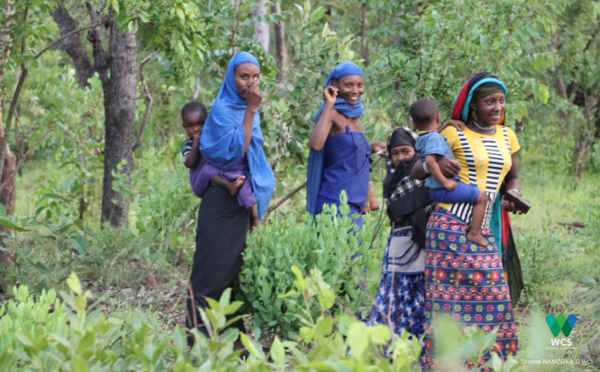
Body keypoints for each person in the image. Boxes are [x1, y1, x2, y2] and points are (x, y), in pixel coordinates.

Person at [422, 72, 522, 370]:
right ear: (473, 106)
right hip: (451, 225)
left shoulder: (508, 136)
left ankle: (489, 363)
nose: (497, 108)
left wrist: (515, 194)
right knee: (448, 302)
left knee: (495, 295)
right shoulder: (454, 133)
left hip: (486, 225)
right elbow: (418, 167)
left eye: (501, 102)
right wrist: (438, 162)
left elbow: (513, 176)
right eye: (489, 102)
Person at [186, 51, 275, 346]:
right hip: (220, 202)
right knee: (207, 275)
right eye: (243, 76)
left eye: (255, 76)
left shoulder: (248, 110)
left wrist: (253, 205)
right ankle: (195, 346)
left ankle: (236, 346)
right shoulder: (223, 110)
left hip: (238, 202)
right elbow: (234, 153)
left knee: (228, 276)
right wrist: (250, 110)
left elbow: (253, 157)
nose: (250, 82)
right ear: (231, 77)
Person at [367, 127, 434, 349]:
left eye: (406, 151)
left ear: (417, 150)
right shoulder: (391, 182)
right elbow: (396, 211)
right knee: (396, 300)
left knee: (423, 300)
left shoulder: (429, 177)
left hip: (426, 250)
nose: (400, 158)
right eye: (394, 153)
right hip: (399, 249)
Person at [306, 61, 385, 230]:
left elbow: (344, 149)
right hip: (335, 202)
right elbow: (315, 145)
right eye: (349, 85)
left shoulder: (355, 117)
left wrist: (372, 147)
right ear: (335, 85)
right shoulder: (331, 114)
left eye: (359, 85)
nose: (355, 91)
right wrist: (329, 104)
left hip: (355, 203)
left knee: (353, 256)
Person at [411, 98, 489, 247]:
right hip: (441, 189)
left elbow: (434, 139)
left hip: (435, 189)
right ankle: (474, 233)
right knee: (482, 198)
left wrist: (447, 125)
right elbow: (430, 161)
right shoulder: (434, 138)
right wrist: (445, 181)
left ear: (414, 123)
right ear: (438, 117)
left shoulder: (423, 137)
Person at [180, 101, 259, 232]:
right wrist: (196, 144)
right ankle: (229, 186)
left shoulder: (211, 139)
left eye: (201, 124)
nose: (196, 129)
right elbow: (189, 163)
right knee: (207, 168)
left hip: (215, 176)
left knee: (240, 178)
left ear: (208, 121)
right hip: (199, 182)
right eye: (190, 126)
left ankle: (252, 212)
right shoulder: (188, 144)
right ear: (184, 127)